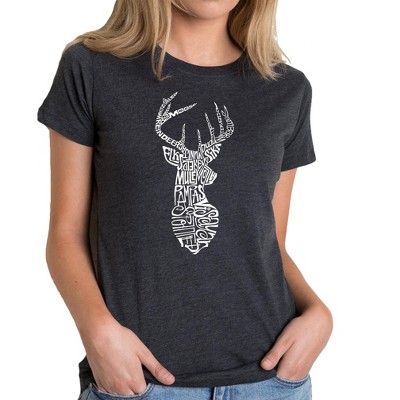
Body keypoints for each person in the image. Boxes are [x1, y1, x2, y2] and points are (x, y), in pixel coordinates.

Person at [37, 1, 333, 399]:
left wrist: (318, 314)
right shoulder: (91, 69)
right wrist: (98, 332)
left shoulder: (286, 90)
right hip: (141, 383)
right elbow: (64, 235)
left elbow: (270, 244)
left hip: (269, 381)